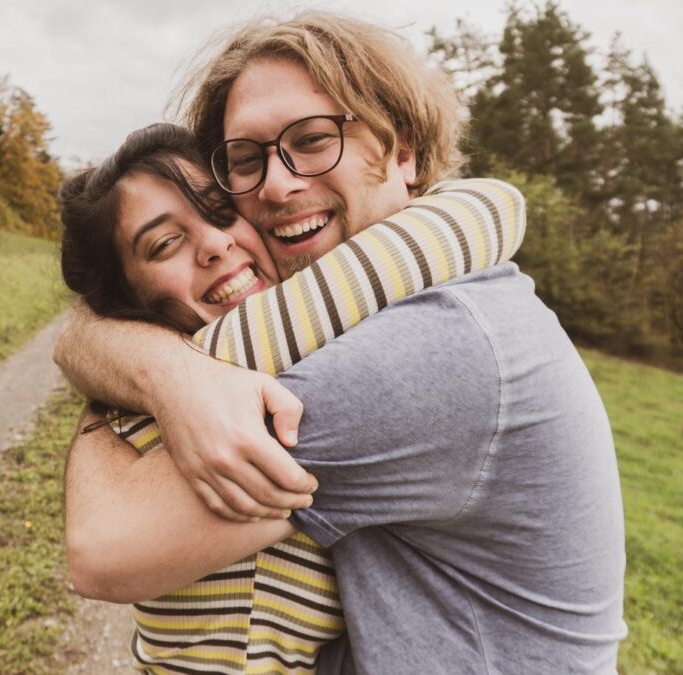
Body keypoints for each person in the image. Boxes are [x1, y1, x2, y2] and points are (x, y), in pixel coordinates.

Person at [61, 12, 627, 673]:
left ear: (404, 152)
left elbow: (107, 544)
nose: (277, 183)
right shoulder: (370, 313)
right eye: (247, 159)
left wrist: (143, 369)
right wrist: (149, 363)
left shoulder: (432, 348)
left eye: (313, 139)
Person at [60, 123, 524, 672]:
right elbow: (491, 210)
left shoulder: (159, 381)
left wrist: (108, 357)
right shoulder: (255, 376)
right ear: (128, 296)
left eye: (220, 210)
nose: (214, 244)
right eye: (164, 245)